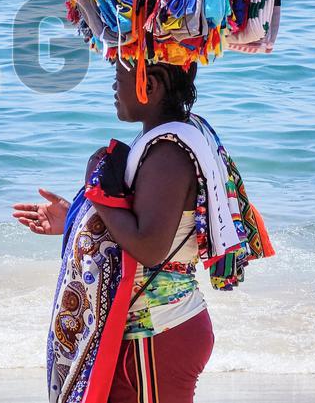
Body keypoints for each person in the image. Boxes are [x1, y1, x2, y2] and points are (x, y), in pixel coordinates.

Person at [14, 60, 213, 403]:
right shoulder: (173, 135)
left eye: (118, 77)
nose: (112, 88)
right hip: (156, 329)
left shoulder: (168, 152)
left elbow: (149, 248)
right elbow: (146, 222)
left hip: (156, 333)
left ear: (149, 86)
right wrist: (75, 219)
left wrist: (97, 190)